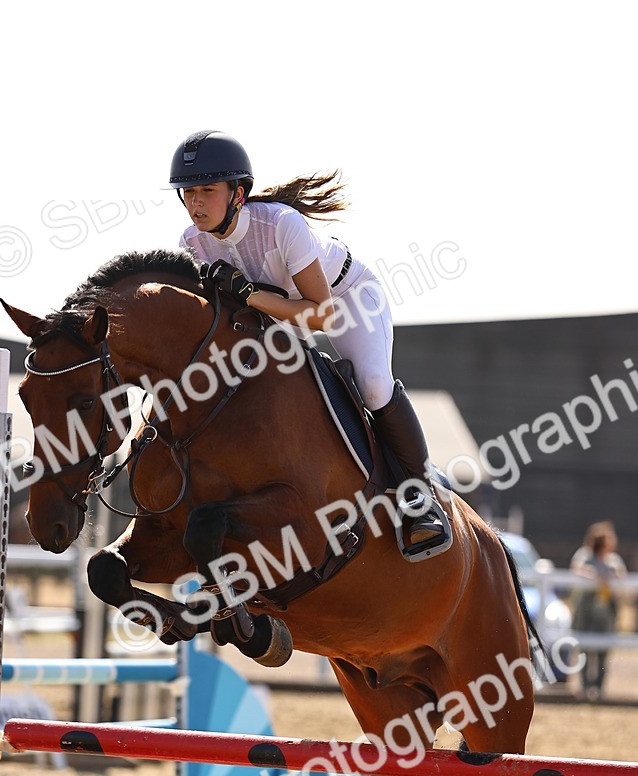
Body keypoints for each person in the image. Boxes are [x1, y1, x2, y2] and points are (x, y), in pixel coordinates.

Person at [168, 129, 448, 558]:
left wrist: (247, 294)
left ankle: (421, 499)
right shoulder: (192, 243)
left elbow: (322, 314)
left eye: (207, 190)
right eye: (188, 192)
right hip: (279, 318)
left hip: (348, 298)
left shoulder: (282, 224)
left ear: (238, 194)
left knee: (374, 385)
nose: (195, 203)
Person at [570, 521, 628, 701]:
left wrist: (612, 575)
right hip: (586, 611)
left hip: (605, 613)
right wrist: (597, 575)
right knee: (585, 650)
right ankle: (586, 688)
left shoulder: (613, 560)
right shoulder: (585, 556)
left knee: (603, 652)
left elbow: (621, 575)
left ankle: (599, 689)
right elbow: (577, 568)